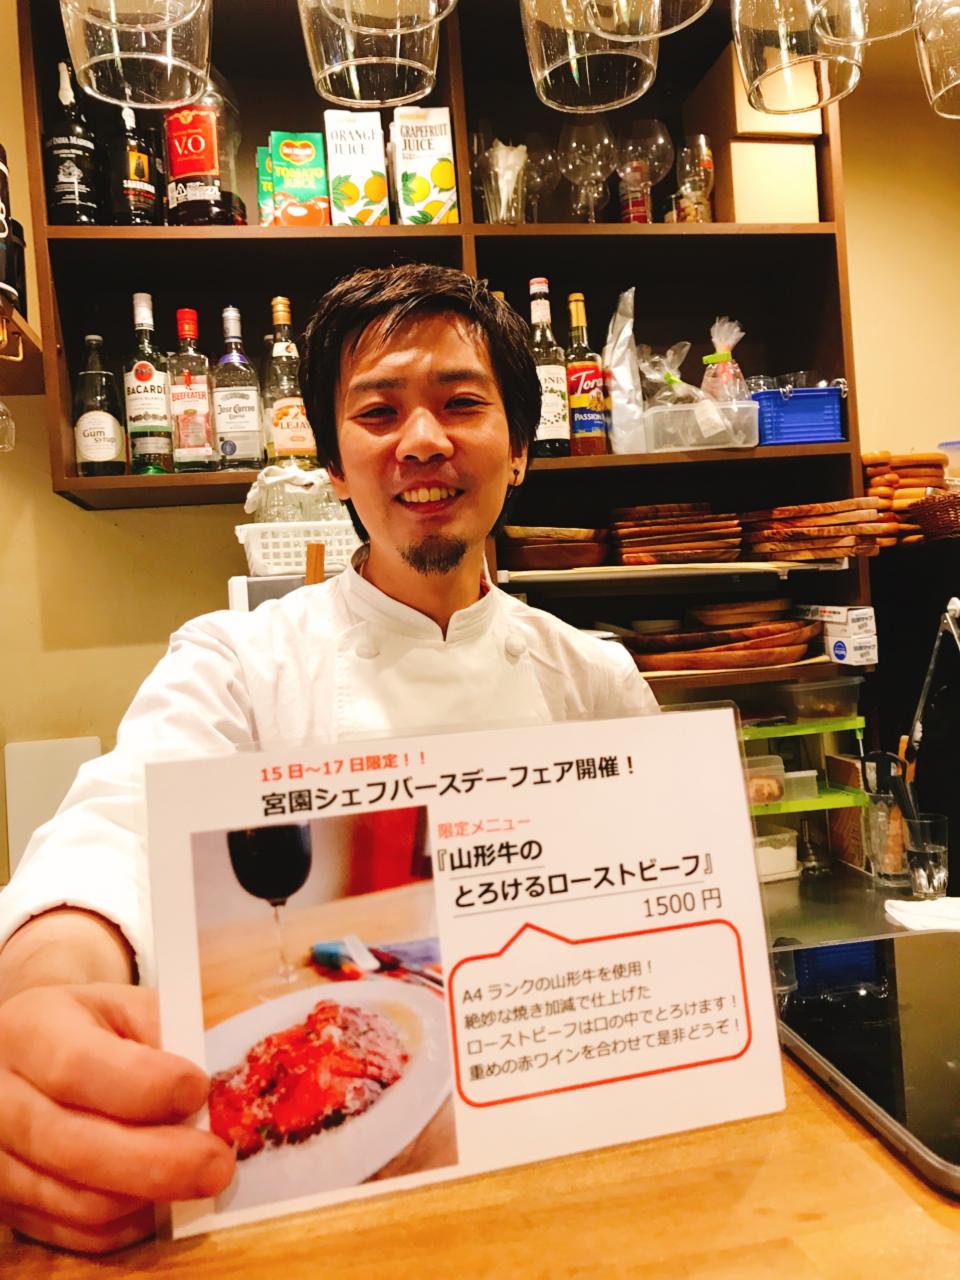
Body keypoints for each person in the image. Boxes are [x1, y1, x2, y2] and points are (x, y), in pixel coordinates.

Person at [0, 263, 657, 1254]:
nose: (422, 440)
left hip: (569, 1139)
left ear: (520, 449)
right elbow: (117, 828)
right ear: (337, 466)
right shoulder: (237, 659)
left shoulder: (595, 678)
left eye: (461, 403)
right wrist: (43, 995)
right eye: (378, 412)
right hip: (333, 1203)